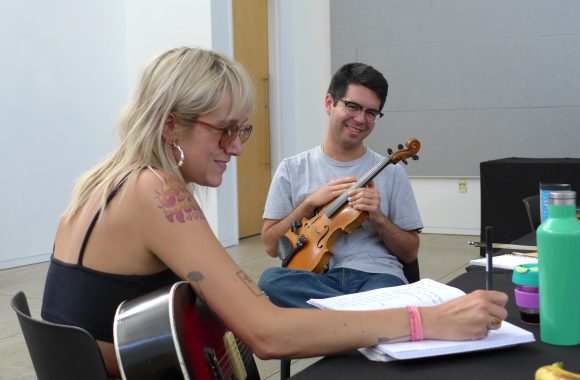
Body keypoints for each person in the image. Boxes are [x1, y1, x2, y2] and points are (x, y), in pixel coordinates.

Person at [41, 47, 508, 378]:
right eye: (225, 131)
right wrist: (423, 321)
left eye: (242, 130)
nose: (238, 147)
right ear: (170, 124)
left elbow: (241, 300)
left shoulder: (108, 180)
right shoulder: (155, 189)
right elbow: (266, 335)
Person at [259, 62, 423, 308]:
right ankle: (361, 316)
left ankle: (334, 316)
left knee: (390, 292)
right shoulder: (292, 169)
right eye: (352, 106)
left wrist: (378, 217)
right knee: (270, 282)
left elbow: (410, 253)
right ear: (329, 103)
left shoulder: (392, 172)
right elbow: (271, 246)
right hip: (312, 279)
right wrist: (307, 204)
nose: (360, 118)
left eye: (371, 112)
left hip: (376, 277)